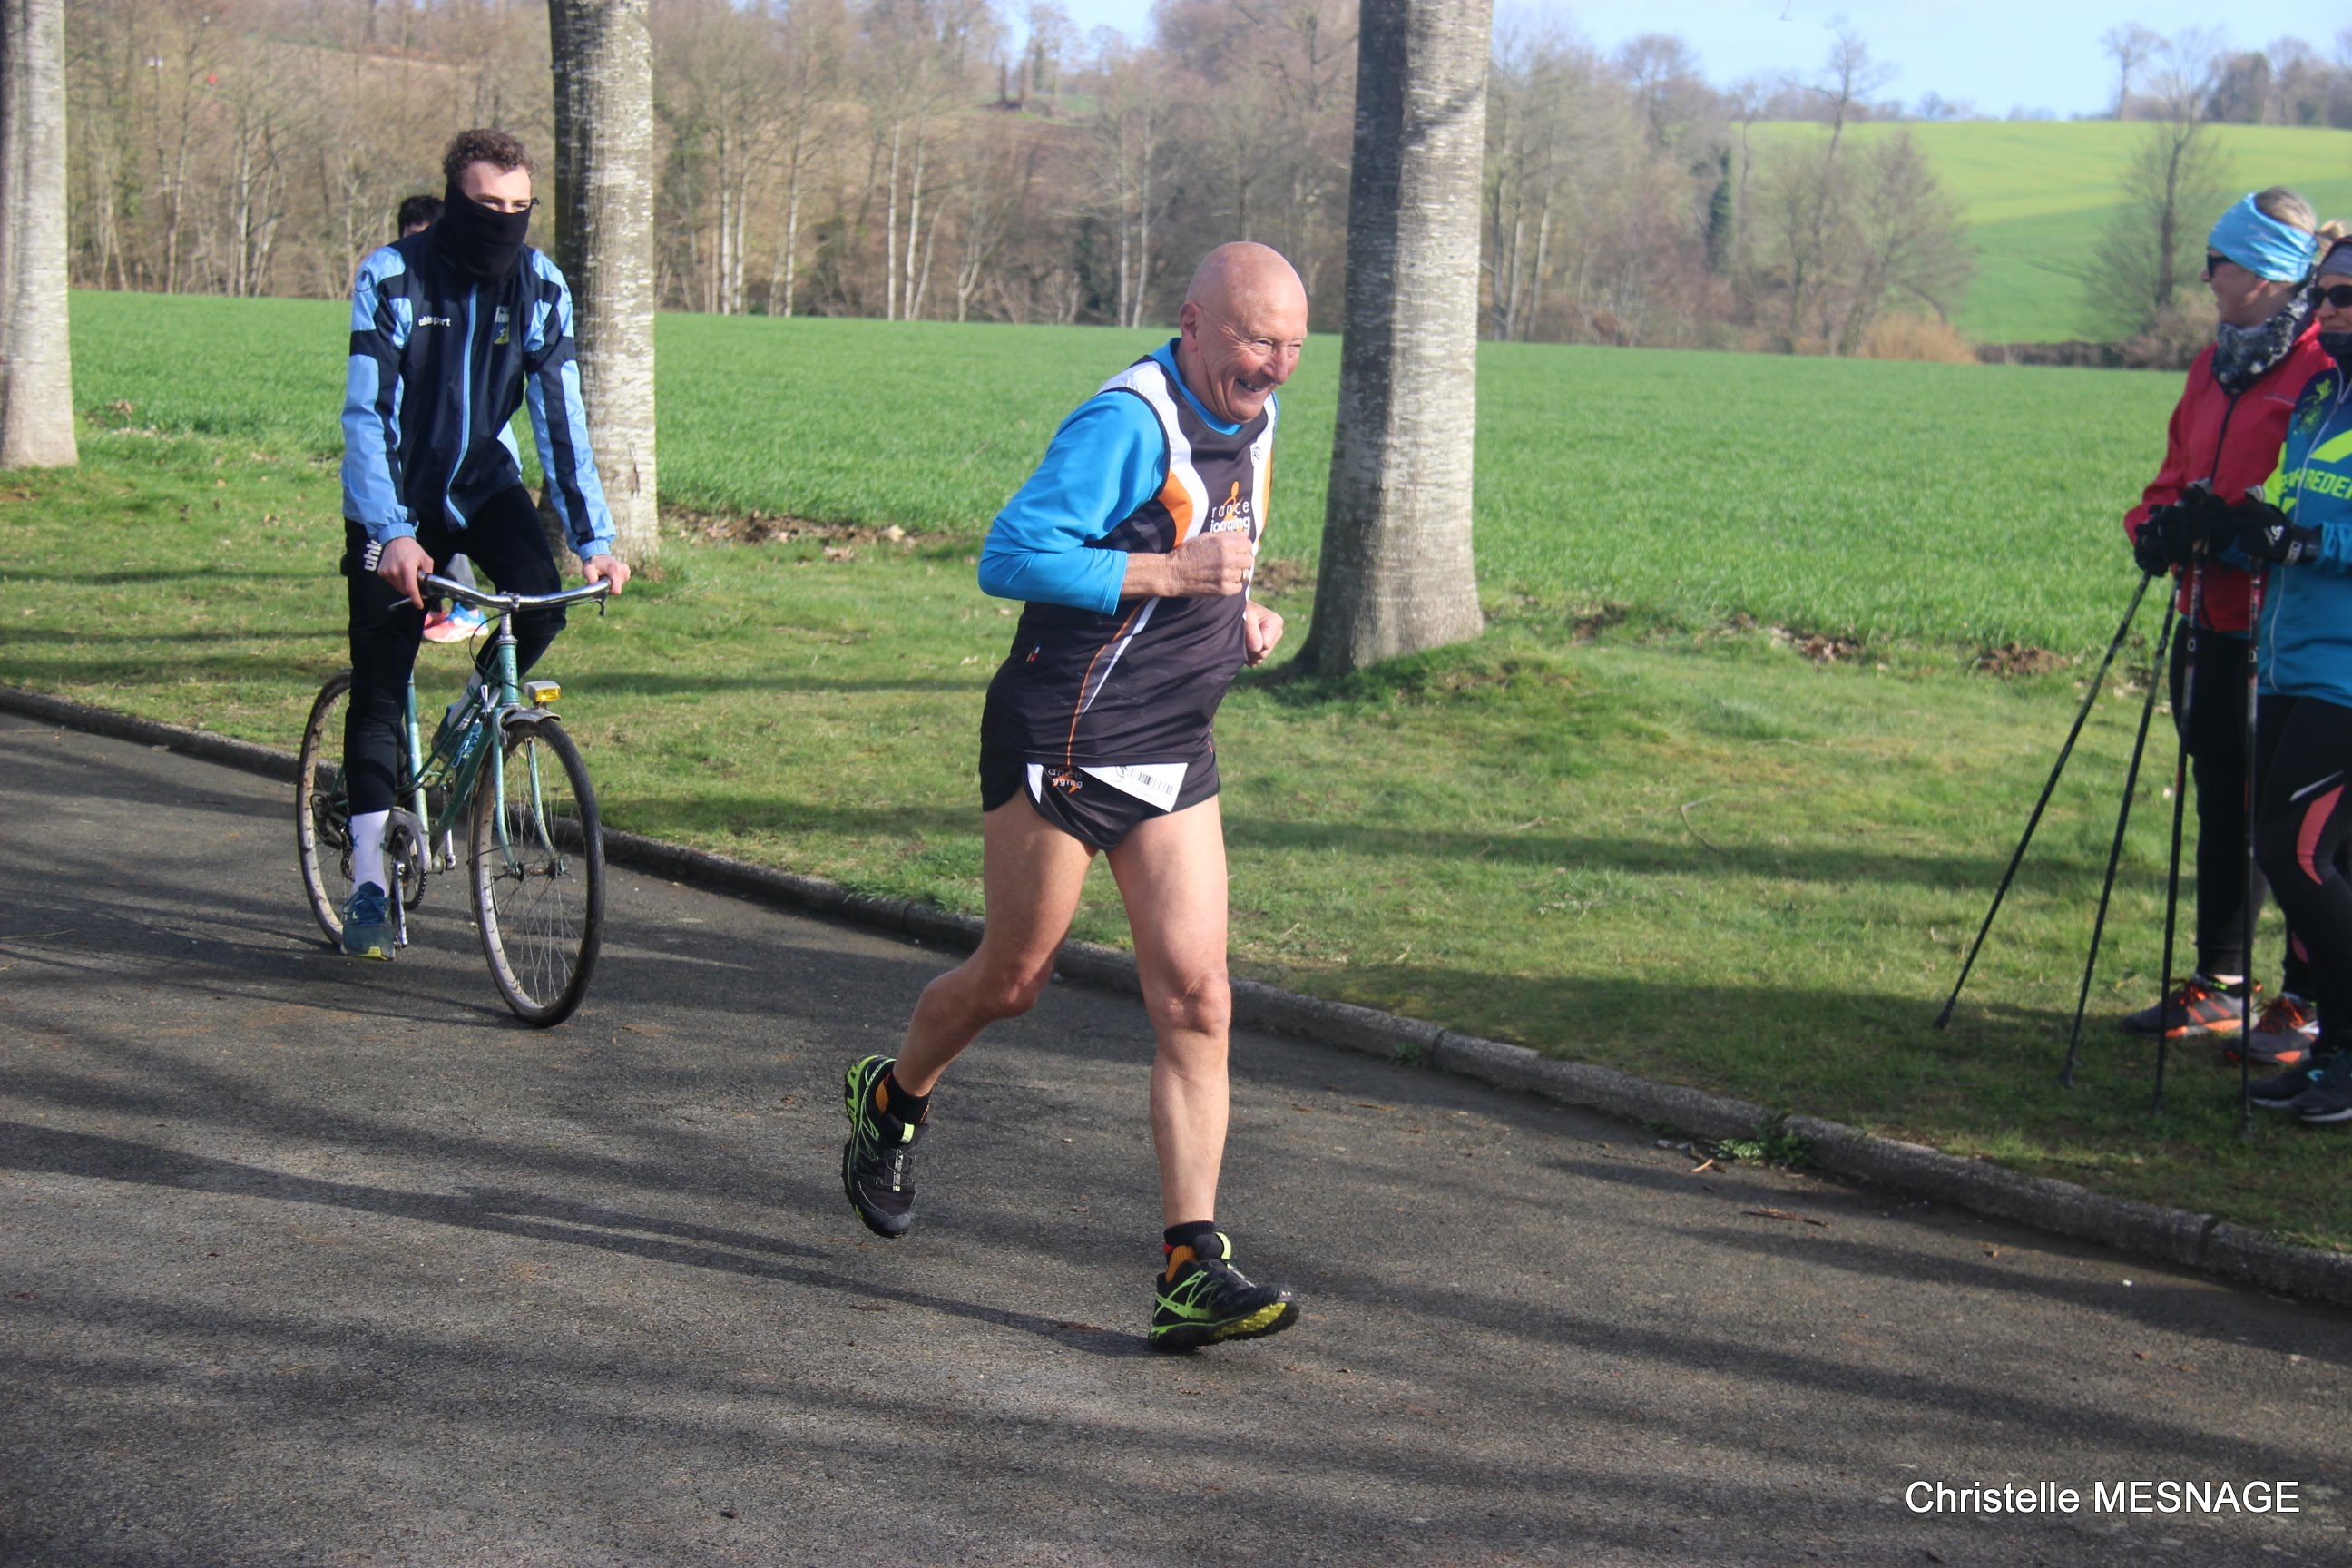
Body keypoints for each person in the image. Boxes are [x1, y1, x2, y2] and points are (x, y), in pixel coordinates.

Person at [838, 242, 1307, 1351]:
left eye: (1292, 347)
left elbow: (1213, 541)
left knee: (1199, 1000)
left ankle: (1190, 1264)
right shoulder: (1127, 422)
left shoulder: (1255, 415)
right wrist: (1174, 578)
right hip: (1065, 736)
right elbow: (1010, 556)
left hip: (1173, 743)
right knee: (1012, 981)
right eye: (1256, 340)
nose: (1275, 366)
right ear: (1194, 323)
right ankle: (893, 1097)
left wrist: (1237, 611)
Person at [336, 129, 628, 959]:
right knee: (382, 683)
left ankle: (469, 718)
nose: (504, 220)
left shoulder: (541, 286)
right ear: (453, 201)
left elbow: (561, 418)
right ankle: (366, 881)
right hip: (396, 495)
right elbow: (366, 415)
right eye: (487, 204)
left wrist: (593, 539)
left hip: (482, 484)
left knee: (541, 603)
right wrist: (391, 531)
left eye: (519, 206)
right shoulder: (393, 277)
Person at [2119, 190, 2336, 1067]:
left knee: (2296, 827)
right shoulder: (2211, 366)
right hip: (2203, 616)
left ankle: (2306, 999)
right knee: (2222, 802)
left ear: (2268, 274)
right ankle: (2221, 981)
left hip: (2279, 630)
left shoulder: (2322, 371)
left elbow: (2307, 500)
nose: (2206, 273)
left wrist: (2250, 529)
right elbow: (2172, 477)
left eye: (2220, 260)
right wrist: (2157, 527)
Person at [2156, 238, 2352, 1123]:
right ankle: (2329, 1053)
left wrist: (2305, 544)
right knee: (2290, 848)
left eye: (2347, 297)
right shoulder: (2321, 399)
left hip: (2343, 675)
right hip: (2285, 660)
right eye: (2325, 294)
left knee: (2294, 853)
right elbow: (2287, 516)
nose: (2330, 311)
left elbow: (2316, 538)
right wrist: (2224, 530)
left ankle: (2339, 1040)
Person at [388, 192, 494, 649]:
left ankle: (469, 608)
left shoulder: (460, 296)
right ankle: (431, 606)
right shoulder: (396, 284)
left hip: (455, 453)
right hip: (406, 449)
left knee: (448, 526)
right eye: (412, 235)